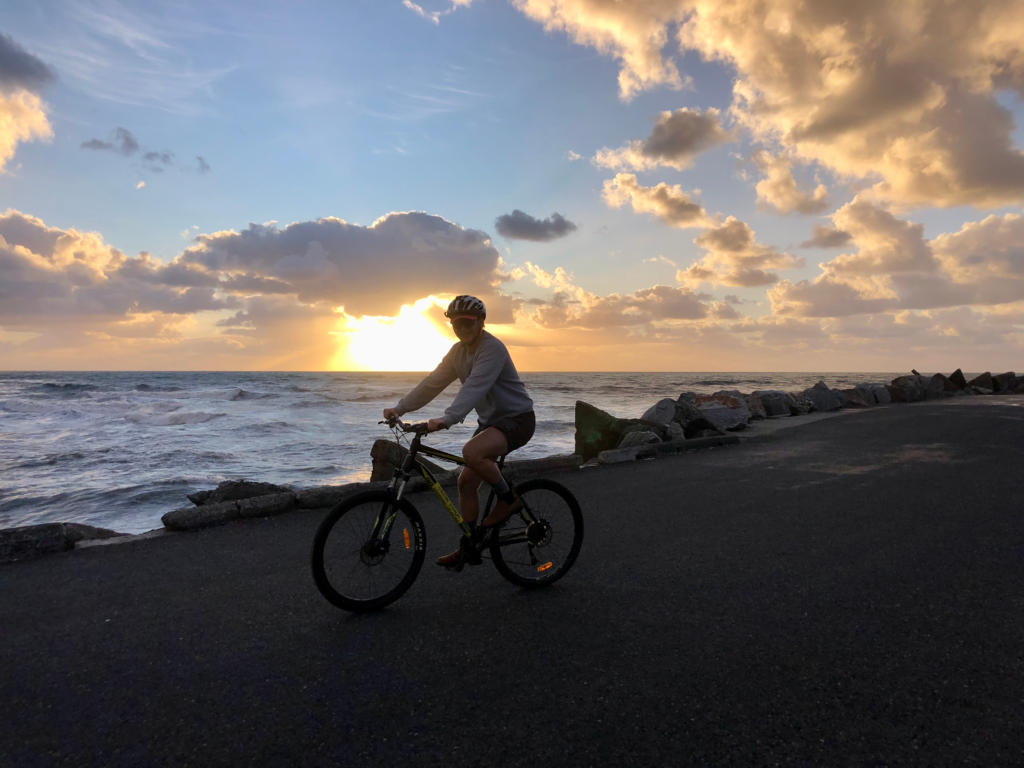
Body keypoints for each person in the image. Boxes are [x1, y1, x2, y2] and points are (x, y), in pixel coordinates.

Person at [383, 295, 535, 567]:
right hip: (491, 423)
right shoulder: (458, 352)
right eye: (456, 324)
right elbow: (433, 383)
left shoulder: (492, 349)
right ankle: (471, 544)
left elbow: (475, 386)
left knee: (472, 452)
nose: (462, 329)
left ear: (480, 322)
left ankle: (509, 500)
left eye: (467, 323)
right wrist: (401, 408)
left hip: (518, 419)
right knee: (465, 483)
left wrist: (448, 418)